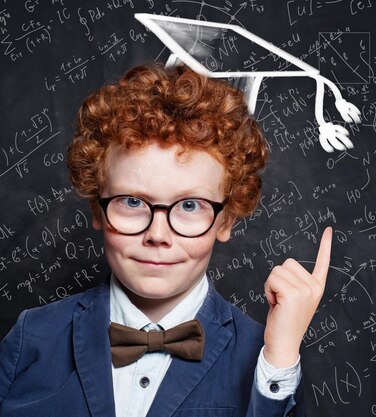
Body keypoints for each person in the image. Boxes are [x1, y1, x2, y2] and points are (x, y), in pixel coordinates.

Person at [0, 63, 332, 416]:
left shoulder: (268, 362)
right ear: (98, 210)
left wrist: (279, 360)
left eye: (190, 205)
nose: (158, 235)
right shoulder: (32, 338)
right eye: (131, 202)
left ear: (226, 220)